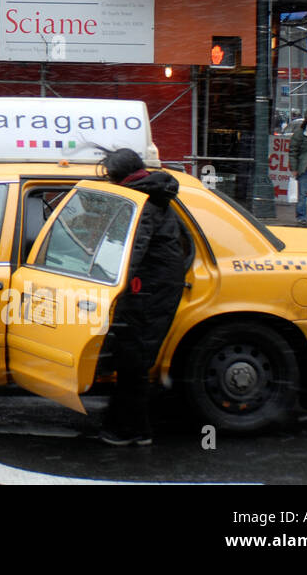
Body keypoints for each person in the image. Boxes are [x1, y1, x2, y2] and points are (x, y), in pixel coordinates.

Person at [96, 147, 187, 446]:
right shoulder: (150, 193)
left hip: (151, 290)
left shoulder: (142, 201)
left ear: (121, 177)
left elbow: (134, 249)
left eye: (111, 178)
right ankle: (128, 425)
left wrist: (114, 284)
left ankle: (132, 430)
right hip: (154, 286)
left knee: (133, 360)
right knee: (133, 360)